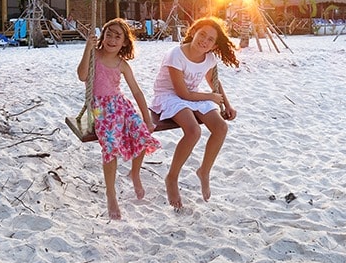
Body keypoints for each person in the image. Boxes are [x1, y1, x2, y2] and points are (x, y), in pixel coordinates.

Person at [150, 16, 239, 209]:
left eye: (210, 40)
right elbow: (182, 93)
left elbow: (214, 84)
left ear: (214, 46)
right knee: (193, 131)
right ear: (194, 32)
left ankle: (204, 171)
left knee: (221, 127)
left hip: (194, 96)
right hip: (169, 96)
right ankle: (172, 177)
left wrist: (227, 105)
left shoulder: (210, 58)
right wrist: (209, 97)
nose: (204, 41)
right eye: (202, 34)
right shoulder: (176, 54)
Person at [77, 18, 161, 220]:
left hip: (120, 105)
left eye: (118, 36)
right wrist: (87, 48)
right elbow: (81, 76)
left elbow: (137, 92)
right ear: (103, 36)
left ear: (124, 42)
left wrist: (147, 119)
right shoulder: (94, 55)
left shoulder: (122, 65)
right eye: (109, 34)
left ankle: (135, 173)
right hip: (97, 108)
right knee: (110, 143)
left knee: (142, 135)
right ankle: (111, 192)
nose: (112, 39)